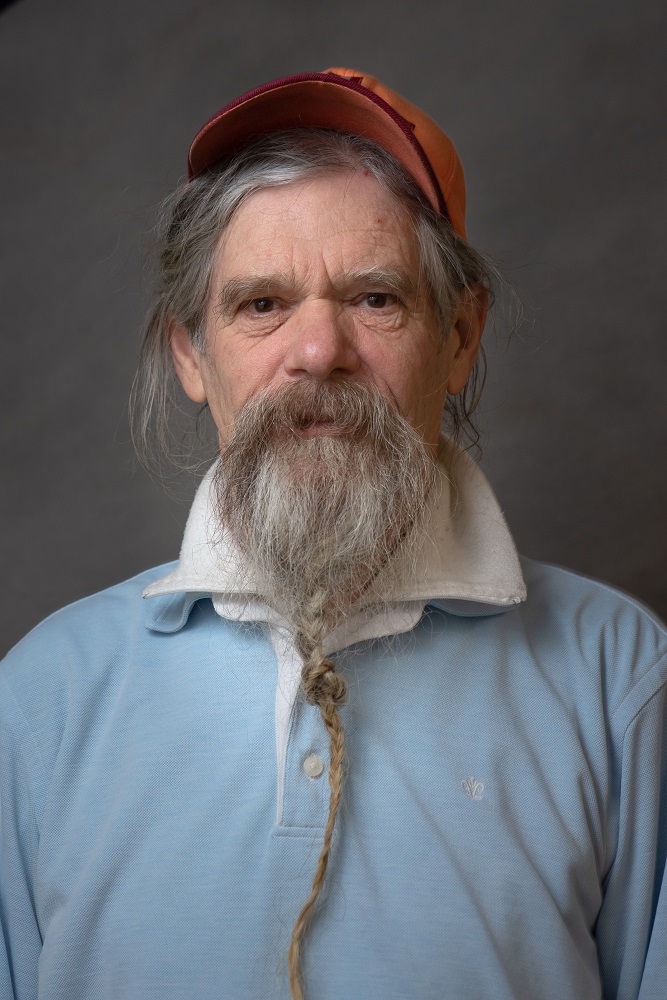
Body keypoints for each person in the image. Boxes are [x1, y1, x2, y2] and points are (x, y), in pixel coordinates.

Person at [0, 68, 665, 1000]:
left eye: (374, 298)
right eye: (261, 304)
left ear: (461, 336)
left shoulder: (623, 681)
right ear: (191, 353)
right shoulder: (37, 703)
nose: (318, 352)